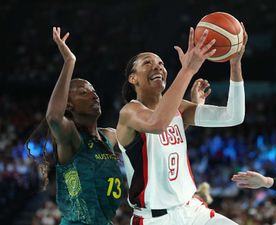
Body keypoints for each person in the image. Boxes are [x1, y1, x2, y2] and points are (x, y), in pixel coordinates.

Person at [116, 23, 247, 225]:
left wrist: (235, 65)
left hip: (193, 211)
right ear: (133, 78)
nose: (157, 66)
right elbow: (158, 123)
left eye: (160, 63)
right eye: (147, 63)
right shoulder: (130, 112)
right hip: (155, 219)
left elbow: (234, 116)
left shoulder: (179, 109)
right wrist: (188, 70)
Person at [27, 27, 123, 225]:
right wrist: (70, 61)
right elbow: (53, 117)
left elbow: (149, 139)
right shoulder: (70, 136)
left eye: (94, 91)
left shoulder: (111, 136)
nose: (93, 95)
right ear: (68, 105)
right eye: (83, 93)